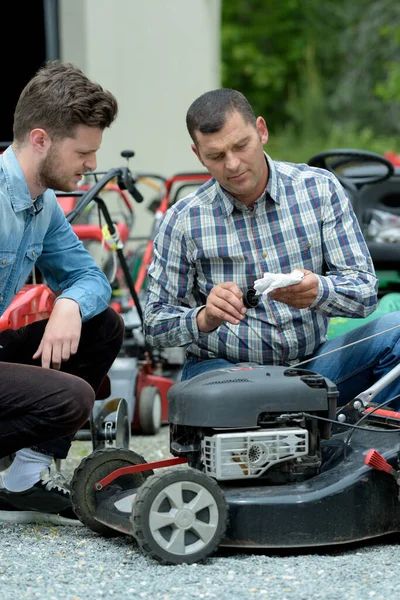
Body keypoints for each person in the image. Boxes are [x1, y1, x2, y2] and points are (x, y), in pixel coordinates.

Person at [144, 88, 400, 411]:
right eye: (216, 156)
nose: (233, 164)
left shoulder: (319, 189)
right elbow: (154, 325)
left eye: (241, 146)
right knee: (230, 406)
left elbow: (365, 291)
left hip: (314, 365)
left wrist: (319, 291)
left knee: (397, 332)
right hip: (227, 372)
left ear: (261, 131)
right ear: (197, 155)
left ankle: (375, 451)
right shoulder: (182, 220)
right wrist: (204, 317)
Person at [0, 61, 124, 524]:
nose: (92, 166)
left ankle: (21, 482)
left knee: (103, 325)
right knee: (70, 399)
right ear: (40, 140)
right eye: (83, 153)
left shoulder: (41, 204)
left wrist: (69, 304)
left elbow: (91, 279)